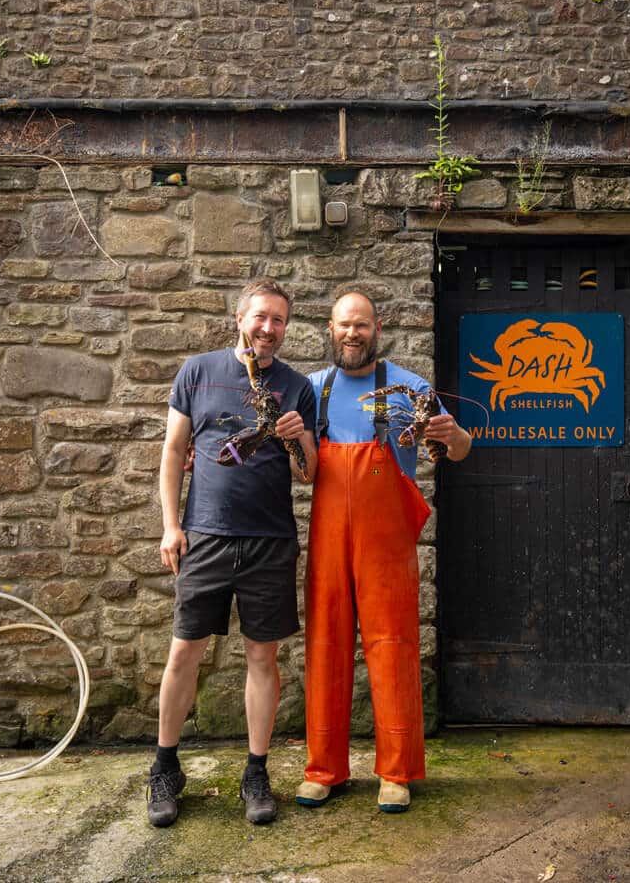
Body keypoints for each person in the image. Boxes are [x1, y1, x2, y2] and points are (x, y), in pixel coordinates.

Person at [147, 278, 317, 828]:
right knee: (183, 653)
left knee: (263, 657)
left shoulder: (297, 387)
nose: (269, 328)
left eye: (279, 321)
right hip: (206, 536)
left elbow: (308, 473)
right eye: (261, 317)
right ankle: (165, 769)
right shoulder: (197, 372)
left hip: (270, 540)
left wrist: (298, 438)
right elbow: (174, 452)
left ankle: (256, 772)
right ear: (240, 318)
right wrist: (172, 526)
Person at [295, 290, 471, 814]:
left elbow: (458, 449)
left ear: (377, 328)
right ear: (331, 328)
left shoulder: (409, 388)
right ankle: (323, 769)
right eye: (345, 325)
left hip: (386, 542)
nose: (354, 334)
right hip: (328, 540)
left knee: (392, 646)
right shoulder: (311, 391)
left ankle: (395, 772)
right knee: (324, 642)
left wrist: (453, 433)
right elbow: (294, 464)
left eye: (363, 325)